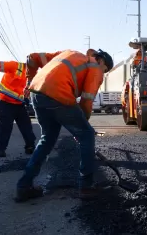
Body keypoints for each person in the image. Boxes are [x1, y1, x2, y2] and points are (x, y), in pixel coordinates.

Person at [15, 49, 113, 202]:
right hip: (58, 93)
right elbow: (86, 101)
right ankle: (86, 186)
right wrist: (81, 127)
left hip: (37, 93)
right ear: (101, 61)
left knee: (47, 139)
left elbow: (32, 58)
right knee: (87, 135)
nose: (103, 72)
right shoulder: (95, 67)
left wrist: (29, 81)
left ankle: (24, 186)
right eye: (105, 69)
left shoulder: (67, 54)